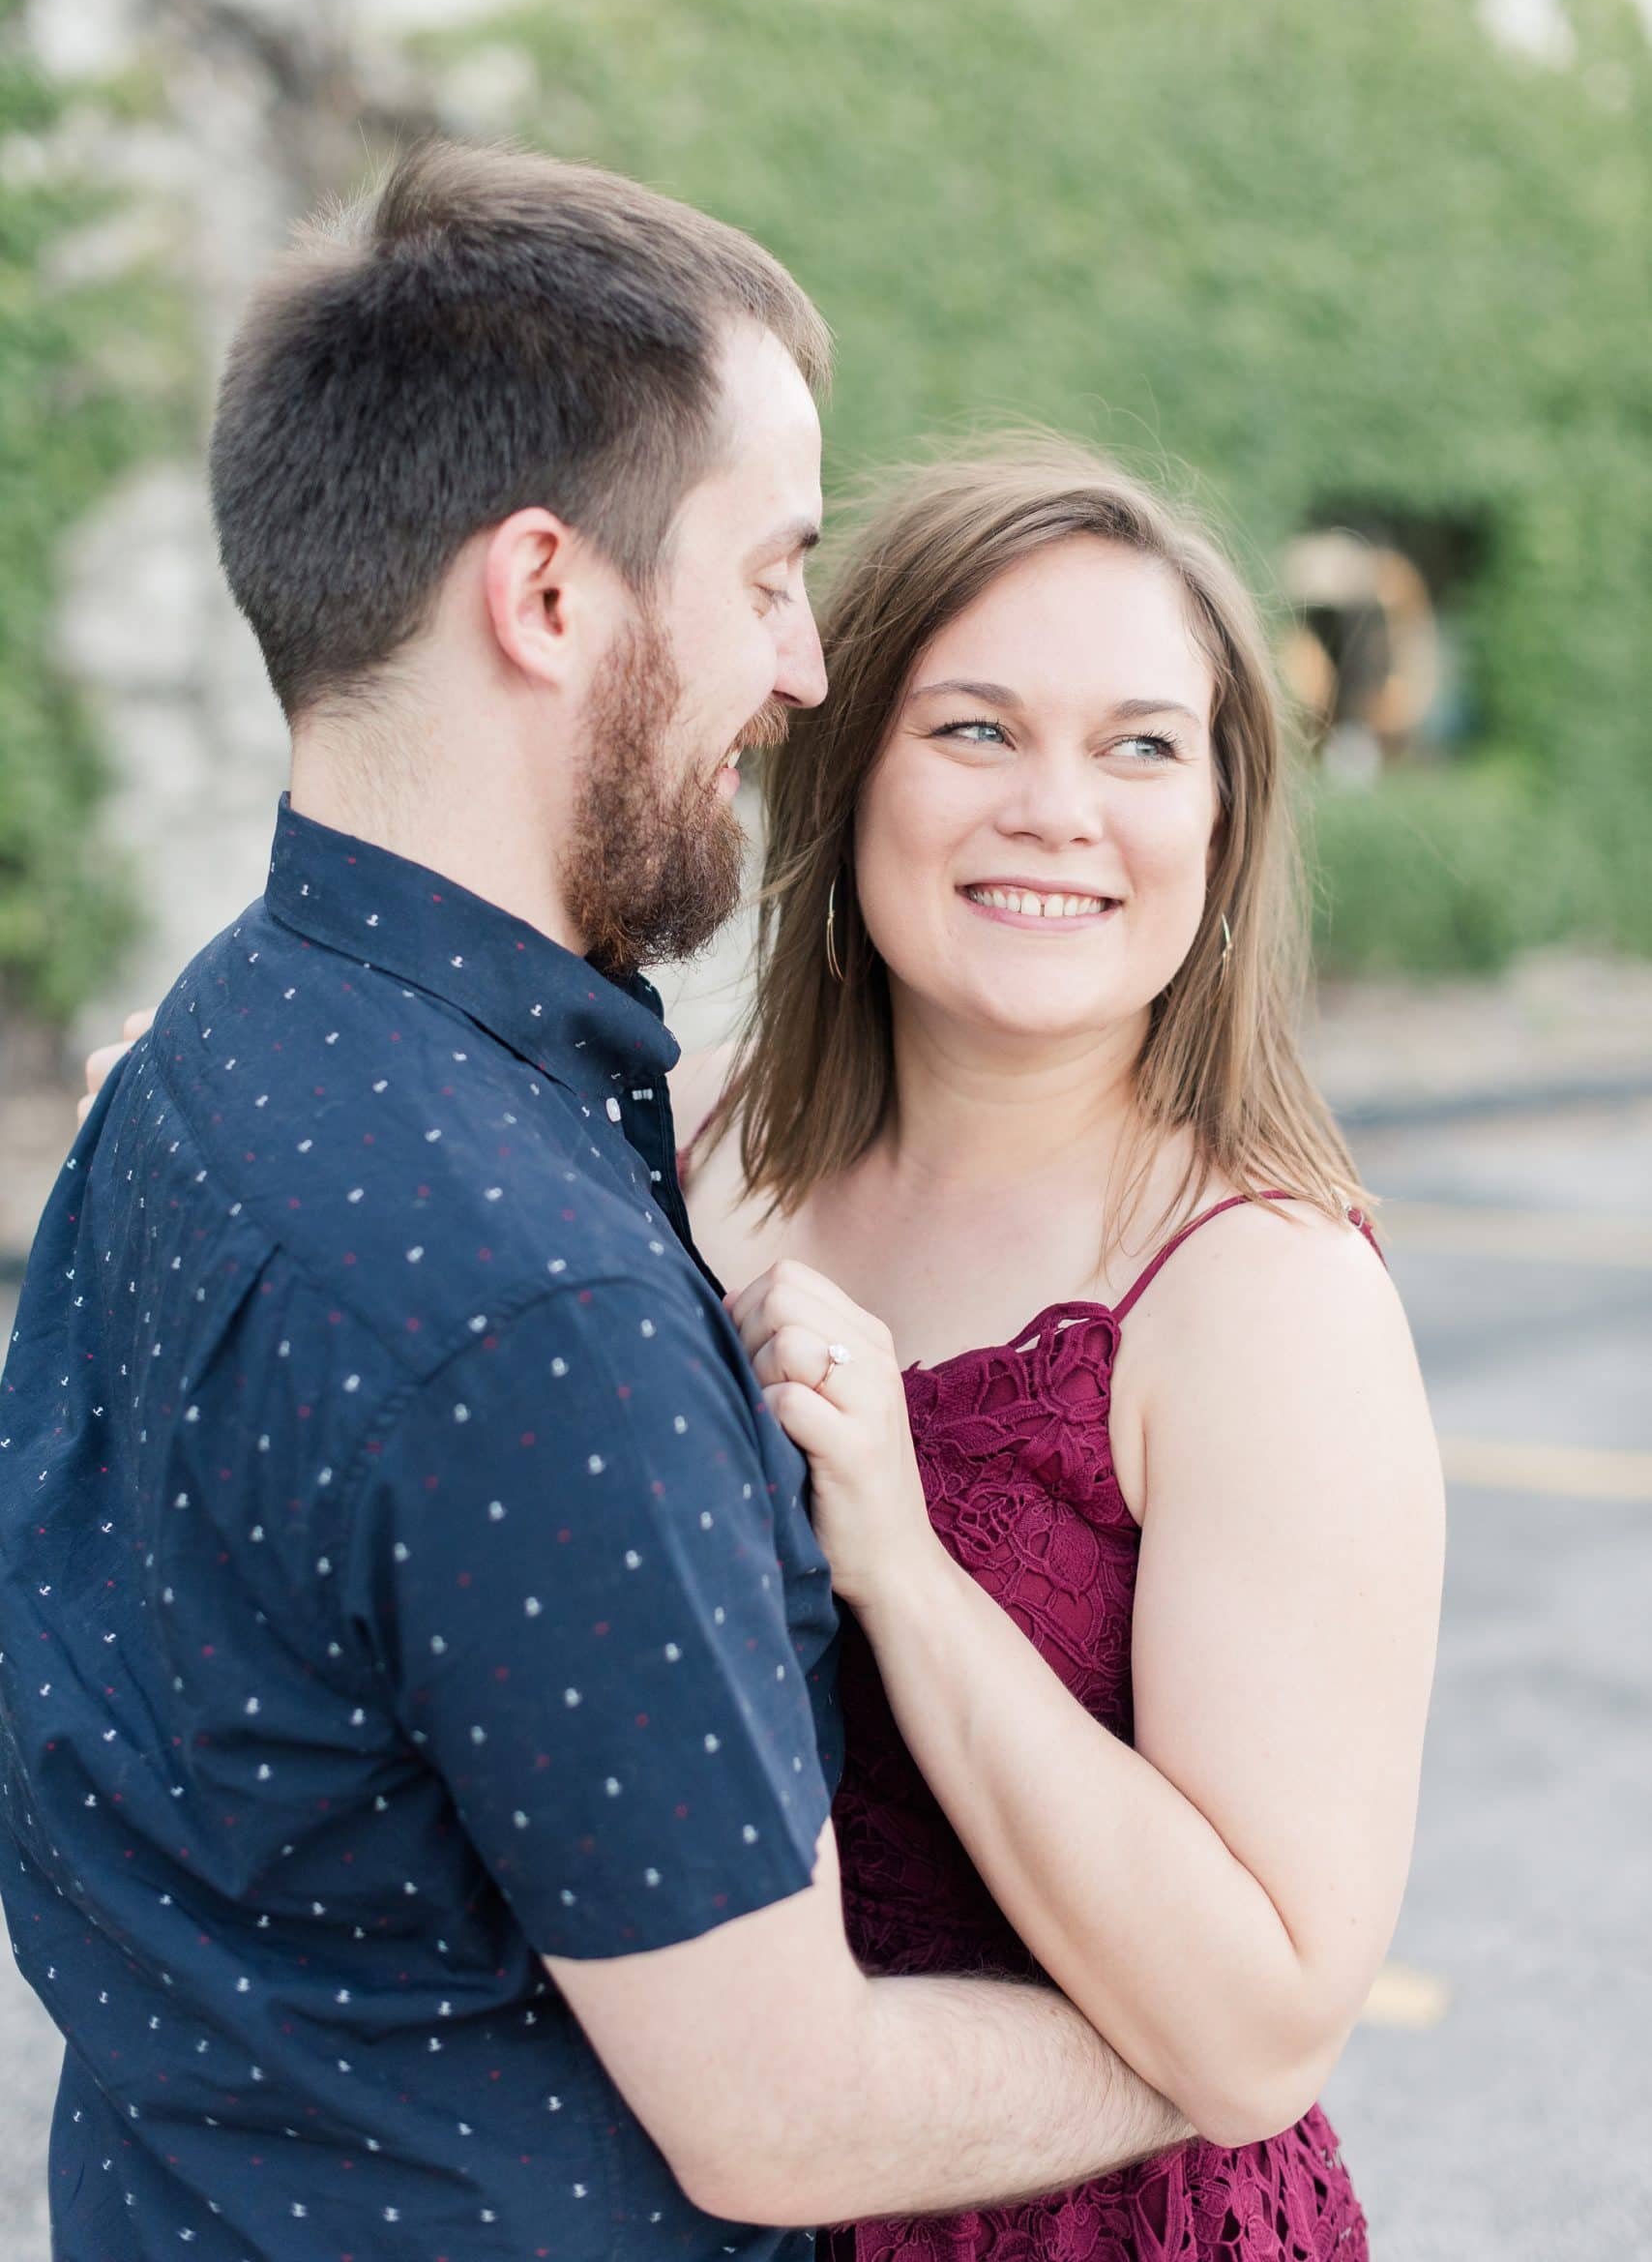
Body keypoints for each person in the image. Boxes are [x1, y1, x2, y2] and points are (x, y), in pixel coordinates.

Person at [2, 143, 1195, 2262]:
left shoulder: (205, 1054)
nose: (807, 666)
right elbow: (781, 2112)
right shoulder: (521, 1305)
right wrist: (1208, 2042)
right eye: (764, 575)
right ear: (546, 594)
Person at [668, 440, 1446, 2258]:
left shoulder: (1263, 1290)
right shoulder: (682, 1156)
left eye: (1141, 746)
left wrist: (901, 1564)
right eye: (975, 730)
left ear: (1224, 824)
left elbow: (1260, 2031)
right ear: (850, 775)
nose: (1057, 807)